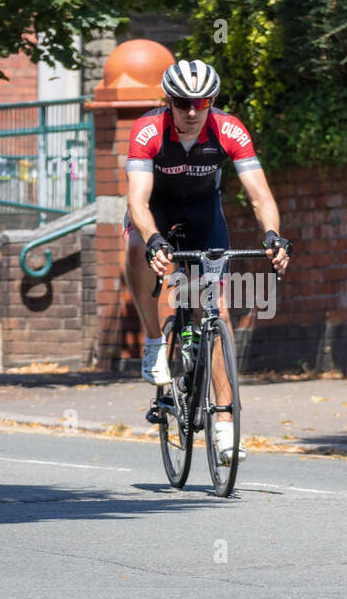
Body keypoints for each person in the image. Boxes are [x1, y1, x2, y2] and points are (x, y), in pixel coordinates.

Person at [123, 59, 290, 464]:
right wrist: (154, 239)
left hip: (203, 214)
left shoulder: (230, 129)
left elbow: (259, 195)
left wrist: (272, 235)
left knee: (215, 312)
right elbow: (137, 200)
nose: (193, 111)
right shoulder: (148, 131)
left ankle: (225, 427)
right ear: (169, 101)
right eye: (182, 103)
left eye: (202, 102)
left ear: (212, 101)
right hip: (156, 212)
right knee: (135, 251)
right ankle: (152, 342)